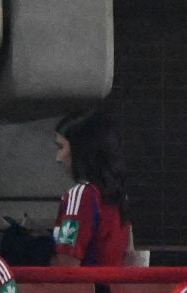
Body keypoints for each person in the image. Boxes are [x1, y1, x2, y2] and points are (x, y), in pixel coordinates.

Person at [50, 109, 134, 267]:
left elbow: (66, 264)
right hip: (112, 290)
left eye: (61, 148)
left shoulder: (81, 195)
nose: (58, 158)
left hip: (85, 290)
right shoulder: (119, 195)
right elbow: (129, 253)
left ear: (80, 150)